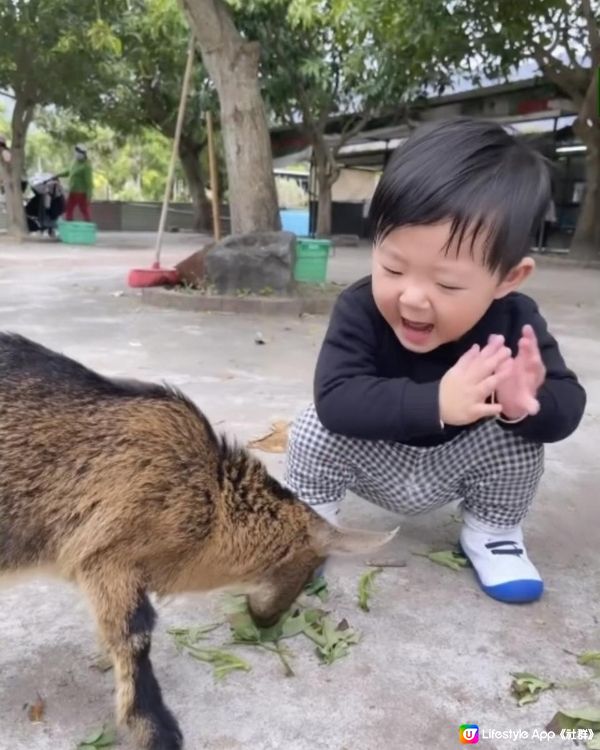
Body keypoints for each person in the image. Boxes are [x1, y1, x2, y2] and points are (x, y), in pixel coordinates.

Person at [284, 118, 586, 605]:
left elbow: (568, 406)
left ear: (508, 278)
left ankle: (492, 533)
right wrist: (437, 402)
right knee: (311, 429)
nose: (414, 299)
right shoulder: (359, 309)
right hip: (375, 456)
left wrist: (524, 402)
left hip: (459, 464)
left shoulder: (516, 322)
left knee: (520, 437)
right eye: (393, 267)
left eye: (447, 284)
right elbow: (336, 399)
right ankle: (308, 528)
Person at [61, 145, 93, 222]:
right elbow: (69, 172)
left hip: (81, 193)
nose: (77, 154)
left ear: (84, 154)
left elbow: (89, 182)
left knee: (84, 210)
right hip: (72, 191)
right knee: (68, 208)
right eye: (76, 152)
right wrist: (58, 175)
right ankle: (69, 226)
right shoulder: (75, 162)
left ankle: (88, 227)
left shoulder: (86, 166)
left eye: (79, 152)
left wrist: (89, 196)